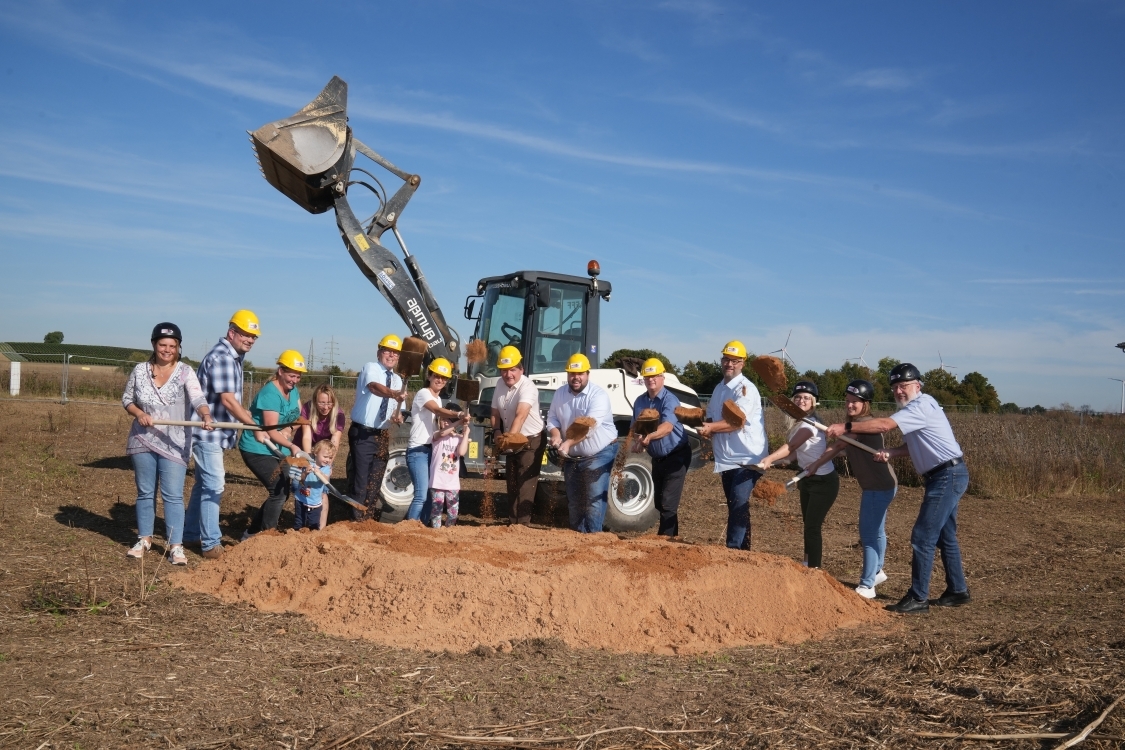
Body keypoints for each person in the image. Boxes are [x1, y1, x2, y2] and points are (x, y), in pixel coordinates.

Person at [827, 363, 970, 614]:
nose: (899, 391)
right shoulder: (916, 408)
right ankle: (957, 591)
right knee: (945, 536)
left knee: (922, 536)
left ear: (918, 385)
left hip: (947, 475)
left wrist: (846, 427)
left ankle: (918, 598)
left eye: (903, 386)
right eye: (895, 387)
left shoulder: (921, 405)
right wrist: (892, 452)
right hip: (945, 474)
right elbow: (915, 445)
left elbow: (883, 425)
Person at [122, 322, 213, 565]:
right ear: (154, 344)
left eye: (172, 345)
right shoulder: (140, 370)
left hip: (174, 440)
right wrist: (138, 413)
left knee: (172, 495)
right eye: (163, 344)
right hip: (143, 438)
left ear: (179, 347)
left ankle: (175, 546)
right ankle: (144, 539)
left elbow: (197, 397)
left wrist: (205, 415)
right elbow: (127, 399)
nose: (167, 349)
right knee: (145, 492)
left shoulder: (185, 371)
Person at [803, 379, 897, 598]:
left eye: (856, 401)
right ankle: (877, 571)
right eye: (847, 401)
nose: (850, 405)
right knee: (877, 532)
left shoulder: (865, 424)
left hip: (878, 487)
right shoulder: (855, 425)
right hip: (882, 485)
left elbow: (840, 443)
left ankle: (867, 585)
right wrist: (815, 464)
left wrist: (822, 457)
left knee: (869, 535)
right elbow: (840, 448)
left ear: (866, 404)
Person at [184, 310, 260, 560]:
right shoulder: (223, 358)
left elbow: (229, 399)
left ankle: (191, 533)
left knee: (203, 485)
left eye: (253, 336)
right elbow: (228, 401)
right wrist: (252, 425)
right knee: (214, 484)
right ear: (232, 332)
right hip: (208, 433)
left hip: (214, 433)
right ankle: (211, 544)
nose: (250, 340)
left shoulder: (234, 358)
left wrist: (245, 413)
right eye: (246, 334)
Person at [757, 381, 839, 568]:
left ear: (813, 402)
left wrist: (769, 458)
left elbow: (792, 446)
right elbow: (795, 453)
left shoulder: (810, 425)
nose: (802, 400)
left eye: (806, 398)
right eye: (798, 397)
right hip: (807, 478)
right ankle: (806, 561)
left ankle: (815, 569)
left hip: (823, 482)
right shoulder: (801, 422)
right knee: (808, 524)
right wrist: (778, 461)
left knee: (812, 527)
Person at [697, 341, 767, 550]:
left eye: (734, 361)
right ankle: (744, 552)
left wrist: (710, 427)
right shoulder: (720, 388)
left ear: (742, 363)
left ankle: (734, 551)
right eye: (726, 359)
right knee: (736, 506)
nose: (729, 364)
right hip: (727, 459)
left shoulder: (745, 389)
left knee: (738, 503)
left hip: (747, 458)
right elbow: (711, 416)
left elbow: (737, 422)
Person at [546, 353, 620, 533]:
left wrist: (568, 442)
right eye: (572, 373)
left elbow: (590, 427)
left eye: (580, 373)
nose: (576, 377)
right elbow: (552, 418)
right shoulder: (560, 393)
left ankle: (594, 540)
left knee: (593, 498)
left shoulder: (598, 395)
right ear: (567, 375)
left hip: (600, 452)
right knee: (575, 500)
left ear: (588, 374)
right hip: (573, 455)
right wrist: (556, 435)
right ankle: (578, 539)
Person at [239, 350, 306, 537]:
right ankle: (268, 536)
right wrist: (292, 446)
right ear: (280, 371)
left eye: (298, 376)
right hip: (258, 448)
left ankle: (252, 533)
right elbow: (270, 430)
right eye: (291, 375)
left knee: (282, 492)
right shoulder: (270, 393)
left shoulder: (293, 391)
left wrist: (290, 430)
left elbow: (298, 417)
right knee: (279, 490)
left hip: (279, 448)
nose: (295, 380)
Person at [629, 358, 691, 537]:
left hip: (676, 455)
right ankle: (672, 539)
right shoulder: (640, 401)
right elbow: (635, 427)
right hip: (657, 457)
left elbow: (667, 427)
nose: (651, 380)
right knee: (659, 503)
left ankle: (665, 540)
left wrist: (648, 437)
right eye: (647, 376)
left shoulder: (670, 400)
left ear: (662, 377)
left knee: (667, 503)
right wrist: (639, 439)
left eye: (655, 376)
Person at [349, 334, 407, 521]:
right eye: (387, 351)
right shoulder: (371, 368)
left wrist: (399, 416)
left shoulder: (398, 379)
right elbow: (374, 387)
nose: (391, 355)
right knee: (361, 481)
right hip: (363, 434)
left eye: (395, 352)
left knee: (375, 481)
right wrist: (393, 394)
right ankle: (357, 521)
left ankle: (367, 519)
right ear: (379, 352)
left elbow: (400, 411)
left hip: (382, 435)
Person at [407, 358, 469, 523]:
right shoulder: (423, 394)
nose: (440, 380)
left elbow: (440, 427)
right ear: (429, 375)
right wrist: (458, 415)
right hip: (418, 450)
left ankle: (423, 526)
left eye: (444, 377)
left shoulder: (439, 399)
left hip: (430, 449)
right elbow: (436, 410)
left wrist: (460, 423)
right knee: (421, 495)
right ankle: (408, 528)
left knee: (429, 494)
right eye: (437, 376)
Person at [489, 345, 546, 525]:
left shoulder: (528, 387)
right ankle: (512, 523)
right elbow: (494, 412)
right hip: (510, 436)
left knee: (525, 485)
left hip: (530, 439)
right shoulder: (499, 384)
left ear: (521, 369)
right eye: (504, 370)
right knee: (512, 483)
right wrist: (497, 432)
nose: (508, 374)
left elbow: (521, 415)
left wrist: (508, 441)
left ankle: (523, 525)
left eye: (513, 369)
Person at [295, 384, 345, 527]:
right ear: (315, 401)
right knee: (299, 484)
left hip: (325, 453)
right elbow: (306, 436)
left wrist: (328, 464)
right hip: (305, 449)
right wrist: (309, 460)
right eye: (322, 402)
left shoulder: (339, 415)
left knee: (322, 489)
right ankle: (300, 524)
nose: (325, 407)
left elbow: (335, 441)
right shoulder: (307, 408)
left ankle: (320, 528)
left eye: (329, 403)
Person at [429, 408, 470, 528]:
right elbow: (442, 433)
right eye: (444, 420)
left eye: (449, 420)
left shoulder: (458, 438)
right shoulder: (436, 436)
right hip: (437, 481)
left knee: (453, 513)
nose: (446, 422)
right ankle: (436, 532)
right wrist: (458, 421)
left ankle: (449, 531)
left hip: (452, 483)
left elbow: (461, 452)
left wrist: (466, 433)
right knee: (436, 511)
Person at [292, 439, 336, 532]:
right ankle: (296, 537)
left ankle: (312, 539)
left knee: (314, 524)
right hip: (301, 498)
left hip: (315, 502)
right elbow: (301, 479)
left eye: (330, 457)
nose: (327, 460)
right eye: (325, 456)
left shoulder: (326, 469)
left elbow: (326, 481)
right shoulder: (307, 463)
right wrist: (305, 473)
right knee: (299, 521)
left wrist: (320, 473)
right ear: (316, 453)